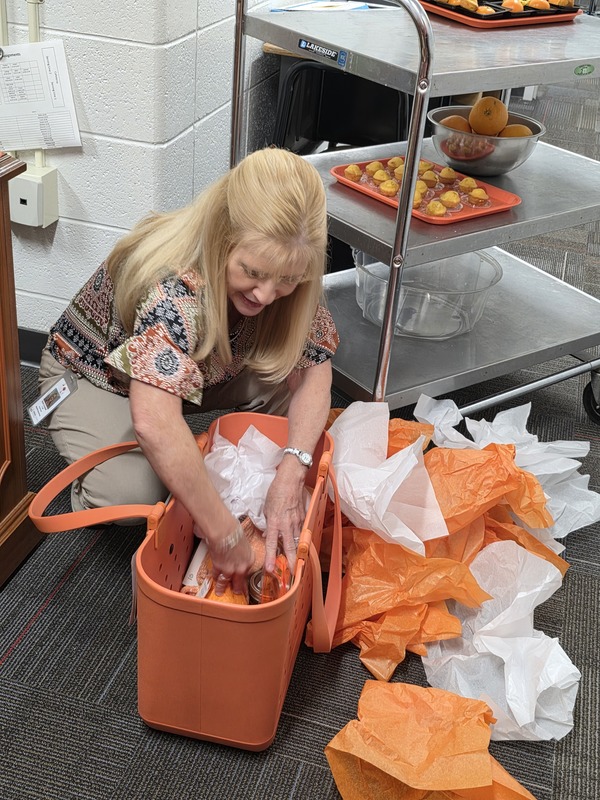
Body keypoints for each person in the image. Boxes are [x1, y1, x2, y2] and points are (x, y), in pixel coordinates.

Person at [38, 147, 339, 595]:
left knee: (294, 414)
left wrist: (293, 469)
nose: (267, 294)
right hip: (96, 377)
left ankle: (206, 453)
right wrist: (225, 534)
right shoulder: (173, 291)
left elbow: (316, 368)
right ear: (222, 237)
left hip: (202, 367)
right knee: (131, 493)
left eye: (287, 280)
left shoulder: (283, 260)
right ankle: (95, 476)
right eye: (252, 272)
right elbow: (155, 422)